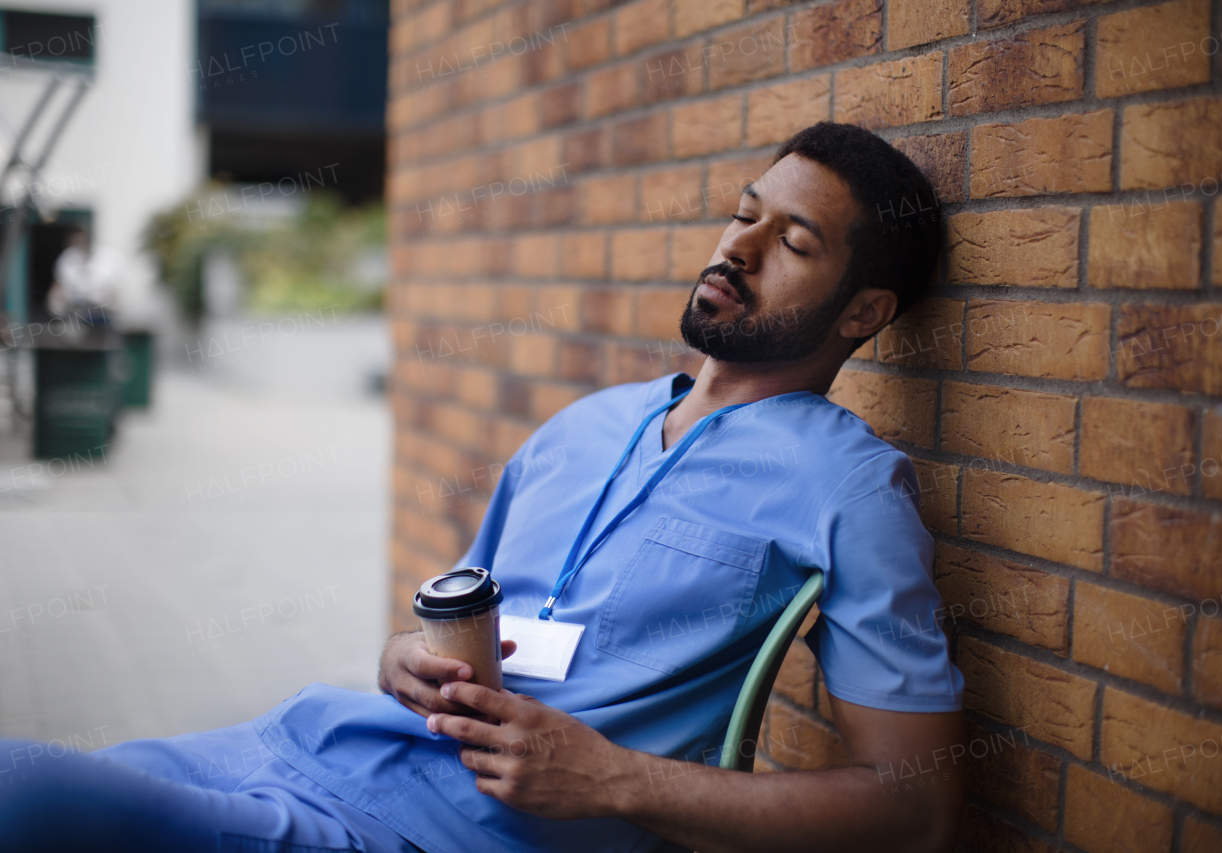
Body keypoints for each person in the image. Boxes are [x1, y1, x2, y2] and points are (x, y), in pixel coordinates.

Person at [0, 122, 963, 853]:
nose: (737, 249)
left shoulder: (848, 483)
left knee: (25, 796)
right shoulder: (585, 425)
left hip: (431, 829)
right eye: (744, 213)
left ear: (866, 311)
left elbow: (912, 801)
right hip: (308, 740)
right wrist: (398, 659)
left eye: (794, 244)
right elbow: (453, 624)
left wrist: (616, 780)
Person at [45, 225, 118, 325]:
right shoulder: (67, 259)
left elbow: (114, 292)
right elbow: (57, 288)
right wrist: (57, 306)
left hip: (101, 313)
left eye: (82, 240)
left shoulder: (107, 257)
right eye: (76, 241)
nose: (79, 244)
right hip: (75, 312)